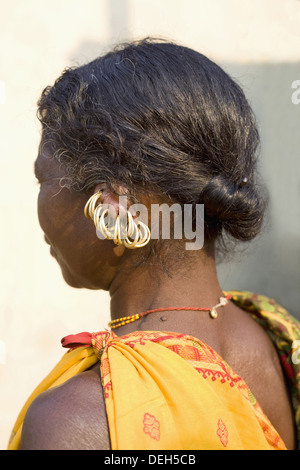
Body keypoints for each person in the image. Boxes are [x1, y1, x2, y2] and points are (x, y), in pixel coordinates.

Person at [8, 38, 300, 450]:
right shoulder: (272, 332)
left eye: (43, 178)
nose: (38, 202)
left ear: (112, 206)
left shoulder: (77, 421)